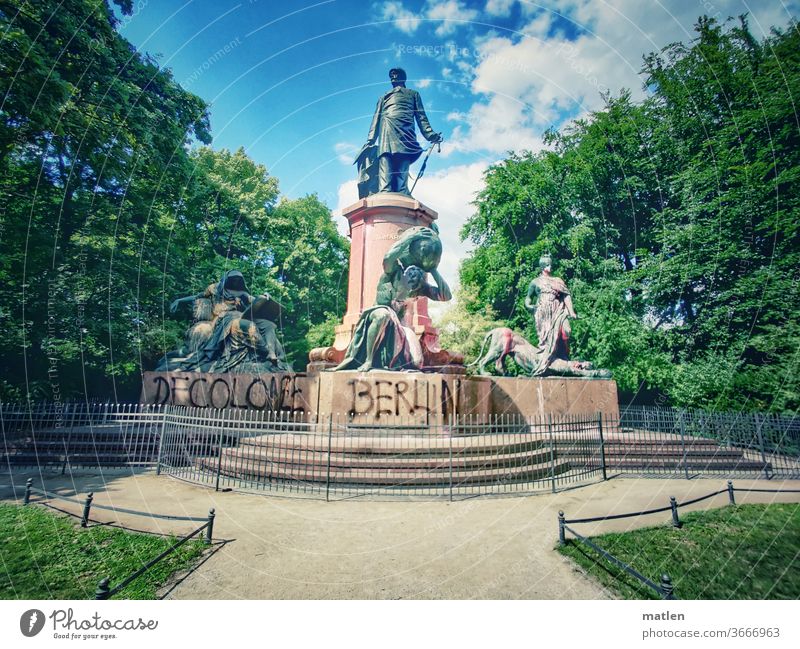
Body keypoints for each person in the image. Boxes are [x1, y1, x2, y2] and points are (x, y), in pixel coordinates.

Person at [334, 226, 451, 371]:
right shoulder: (392, 273)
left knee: (416, 361)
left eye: (415, 283)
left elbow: (446, 296)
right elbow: (388, 258)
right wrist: (410, 238)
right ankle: (368, 361)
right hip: (377, 314)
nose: (412, 284)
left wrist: (432, 268)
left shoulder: (419, 288)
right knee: (384, 315)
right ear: (404, 275)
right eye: (410, 279)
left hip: (399, 326)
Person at [157, 270, 289, 373]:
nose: (236, 282)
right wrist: (179, 300)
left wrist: (265, 297)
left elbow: (255, 300)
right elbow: (198, 296)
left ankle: (272, 353)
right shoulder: (214, 288)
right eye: (234, 280)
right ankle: (264, 351)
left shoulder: (242, 292)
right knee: (248, 326)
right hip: (225, 319)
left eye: (239, 280)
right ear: (227, 279)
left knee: (269, 324)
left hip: (243, 315)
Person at [354, 68, 442, 197]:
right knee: (386, 156)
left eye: (396, 74)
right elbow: (376, 119)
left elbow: (421, 117)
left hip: (406, 129)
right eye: (391, 75)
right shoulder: (384, 97)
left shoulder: (413, 94)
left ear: (403, 77)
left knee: (403, 156)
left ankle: (402, 190)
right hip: (387, 128)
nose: (393, 77)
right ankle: (385, 189)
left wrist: (431, 135)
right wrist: (370, 139)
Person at [524, 254, 578, 376]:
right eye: (548, 265)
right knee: (545, 337)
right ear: (542, 266)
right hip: (542, 312)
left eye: (550, 264)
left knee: (566, 331)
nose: (550, 266)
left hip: (557, 310)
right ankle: (547, 359)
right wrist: (529, 306)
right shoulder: (535, 282)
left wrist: (571, 311)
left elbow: (566, 296)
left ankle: (563, 355)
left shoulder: (557, 280)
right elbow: (528, 298)